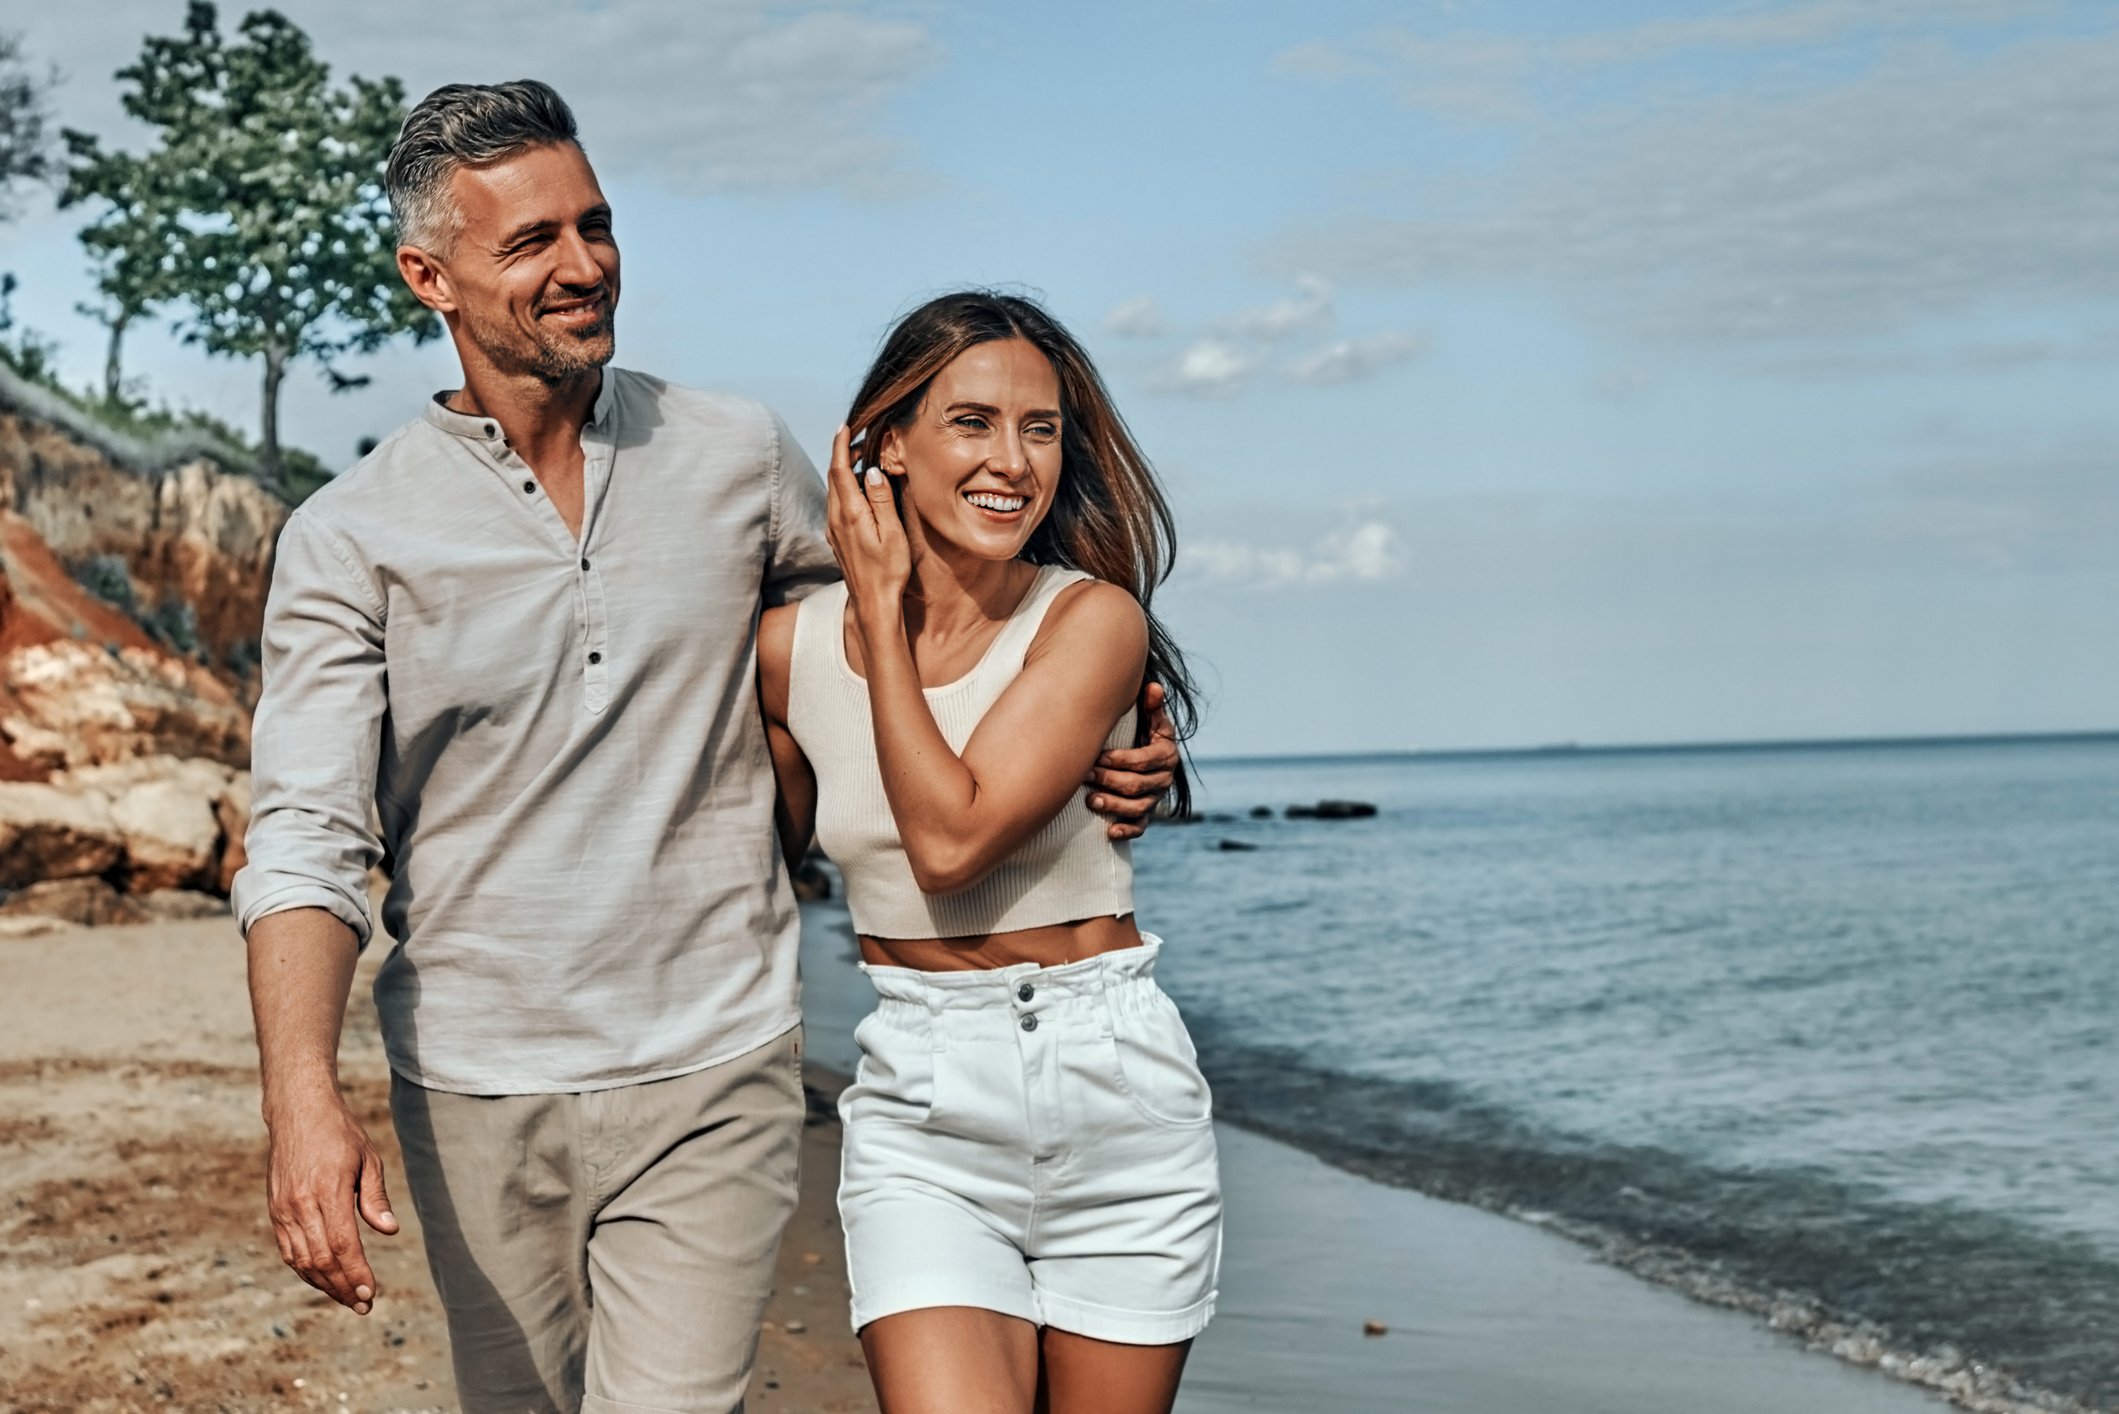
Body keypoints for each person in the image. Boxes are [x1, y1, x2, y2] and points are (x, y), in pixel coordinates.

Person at [231, 82, 1178, 1414]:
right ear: (427, 275)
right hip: (477, 1080)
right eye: (533, 243)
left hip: (716, 1063)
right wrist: (303, 1104)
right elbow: (307, 844)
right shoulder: (348, 535)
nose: (583, 266)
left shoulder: (731, 453)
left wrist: (1122, 735)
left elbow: (937, 610)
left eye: (596, 225)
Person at [757, 292, 1222, 1414]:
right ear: (885, 443)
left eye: (1041, 428)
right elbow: (747, 859)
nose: (1012, 460)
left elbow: (952, 838)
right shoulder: (785, 653)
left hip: (1112, 1091)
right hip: (922, 1103)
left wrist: (874, 602)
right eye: (971, 421)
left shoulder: (1092, 623)